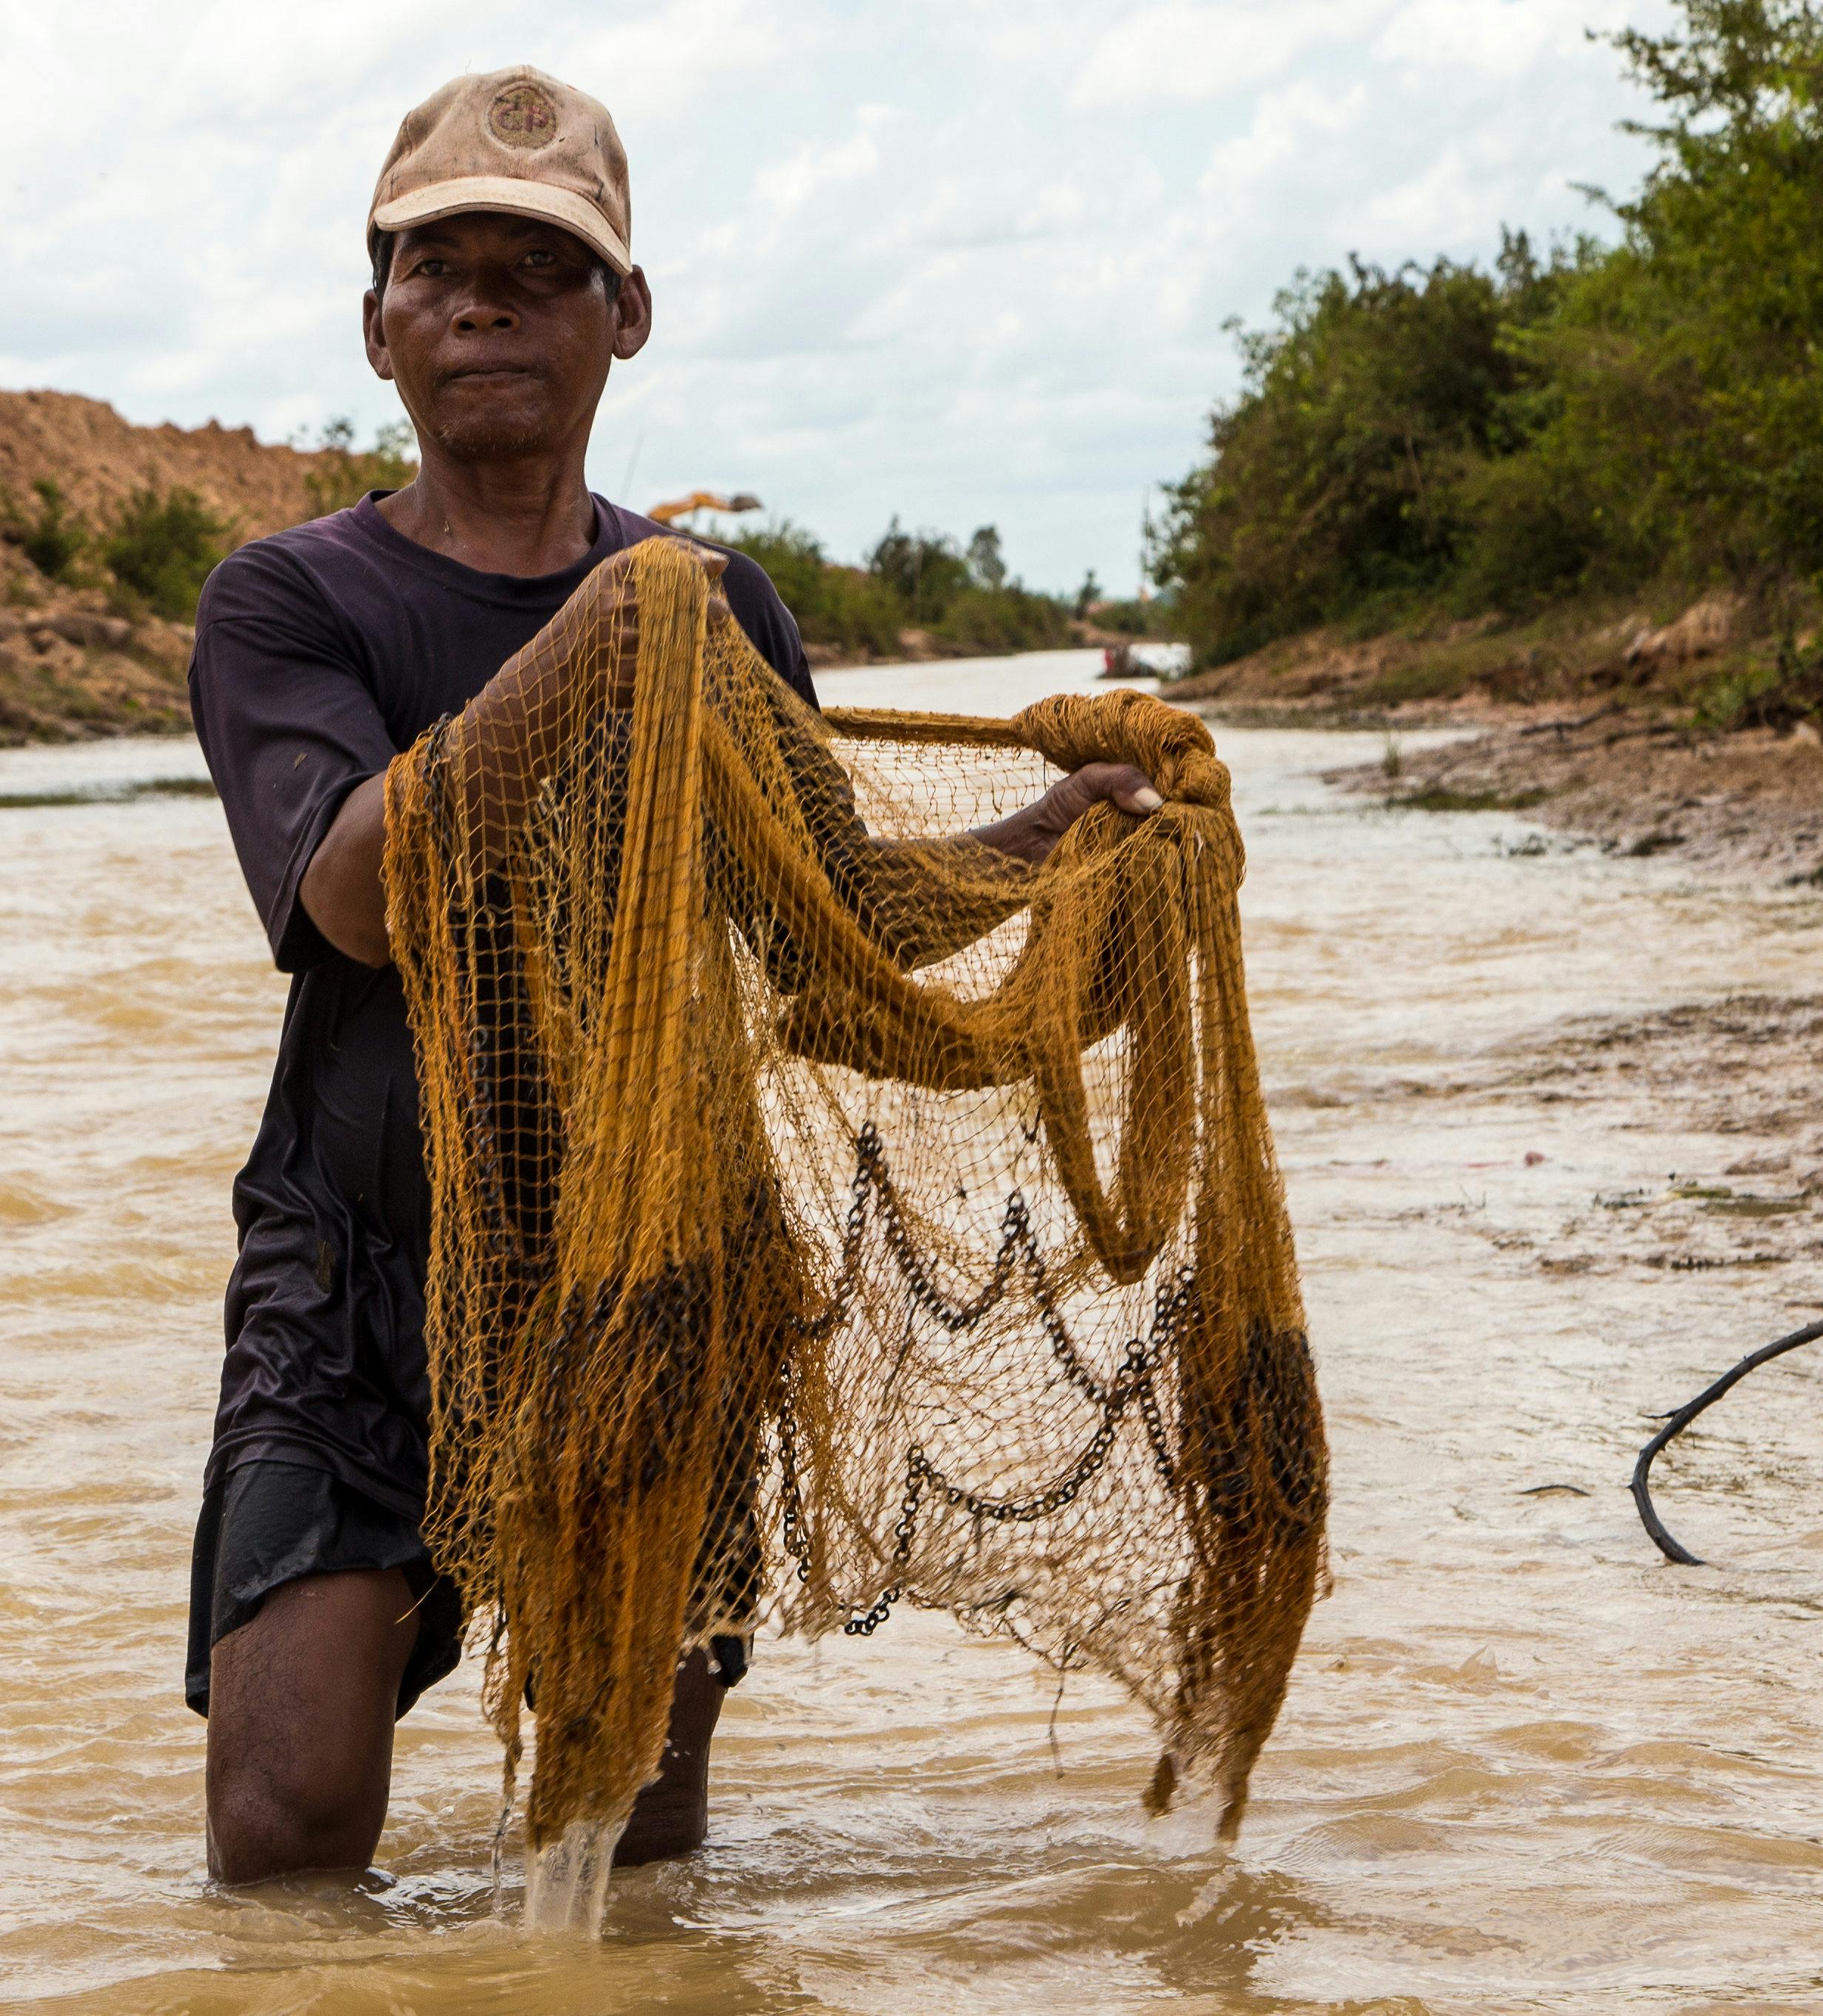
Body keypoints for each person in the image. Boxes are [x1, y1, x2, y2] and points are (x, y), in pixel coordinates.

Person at [185, 65, 1159, 1886]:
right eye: (437, 266)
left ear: (624, 317)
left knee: (629, 1835)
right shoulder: (288, 602)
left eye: (540, 271)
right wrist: (604, 636)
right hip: (355, 1264)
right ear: (374, 322)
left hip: (656, 1264)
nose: (483, 302)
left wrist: (1047, 849)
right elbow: (349, 904)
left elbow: (828, 931)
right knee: (285, 1826)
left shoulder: (722, 602)